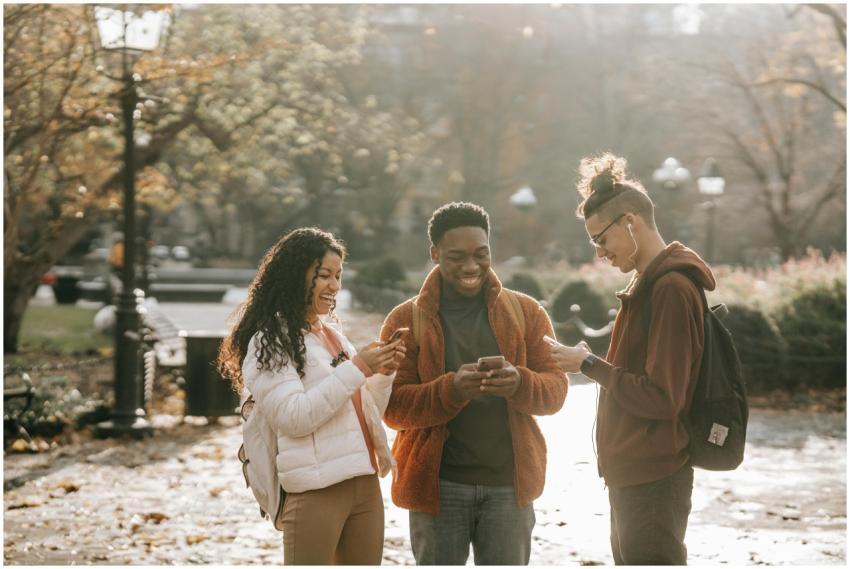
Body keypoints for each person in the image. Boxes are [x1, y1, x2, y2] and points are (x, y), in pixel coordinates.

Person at [547, 153, 716, 565]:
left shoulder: (671, 288)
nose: (600, 253)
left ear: (630, 221)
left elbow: (662, 397)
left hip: (654, 476)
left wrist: (587, 365)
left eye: (601, 240)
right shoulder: (650, 283)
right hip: (636, 473)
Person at [380, 202, 568, 565]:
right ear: (435, 254)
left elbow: (556, 391)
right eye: (456, 257)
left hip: (510, 488)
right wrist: (451, 390)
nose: (471, 266)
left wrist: (519, 383)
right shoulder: (406, 320)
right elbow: (392, 408)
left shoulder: (526, 312)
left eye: (481, 254)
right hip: (438, 488)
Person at [217, 227, 405, 565]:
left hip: (364, 484)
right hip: (317, 491)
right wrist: (359, 367)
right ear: (295, 276)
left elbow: (365, 412)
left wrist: (384, 372)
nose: (334, 285)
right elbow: (294, 418)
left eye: (338, 275)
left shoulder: (331, 335)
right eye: (323, 275)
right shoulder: (270, 342)